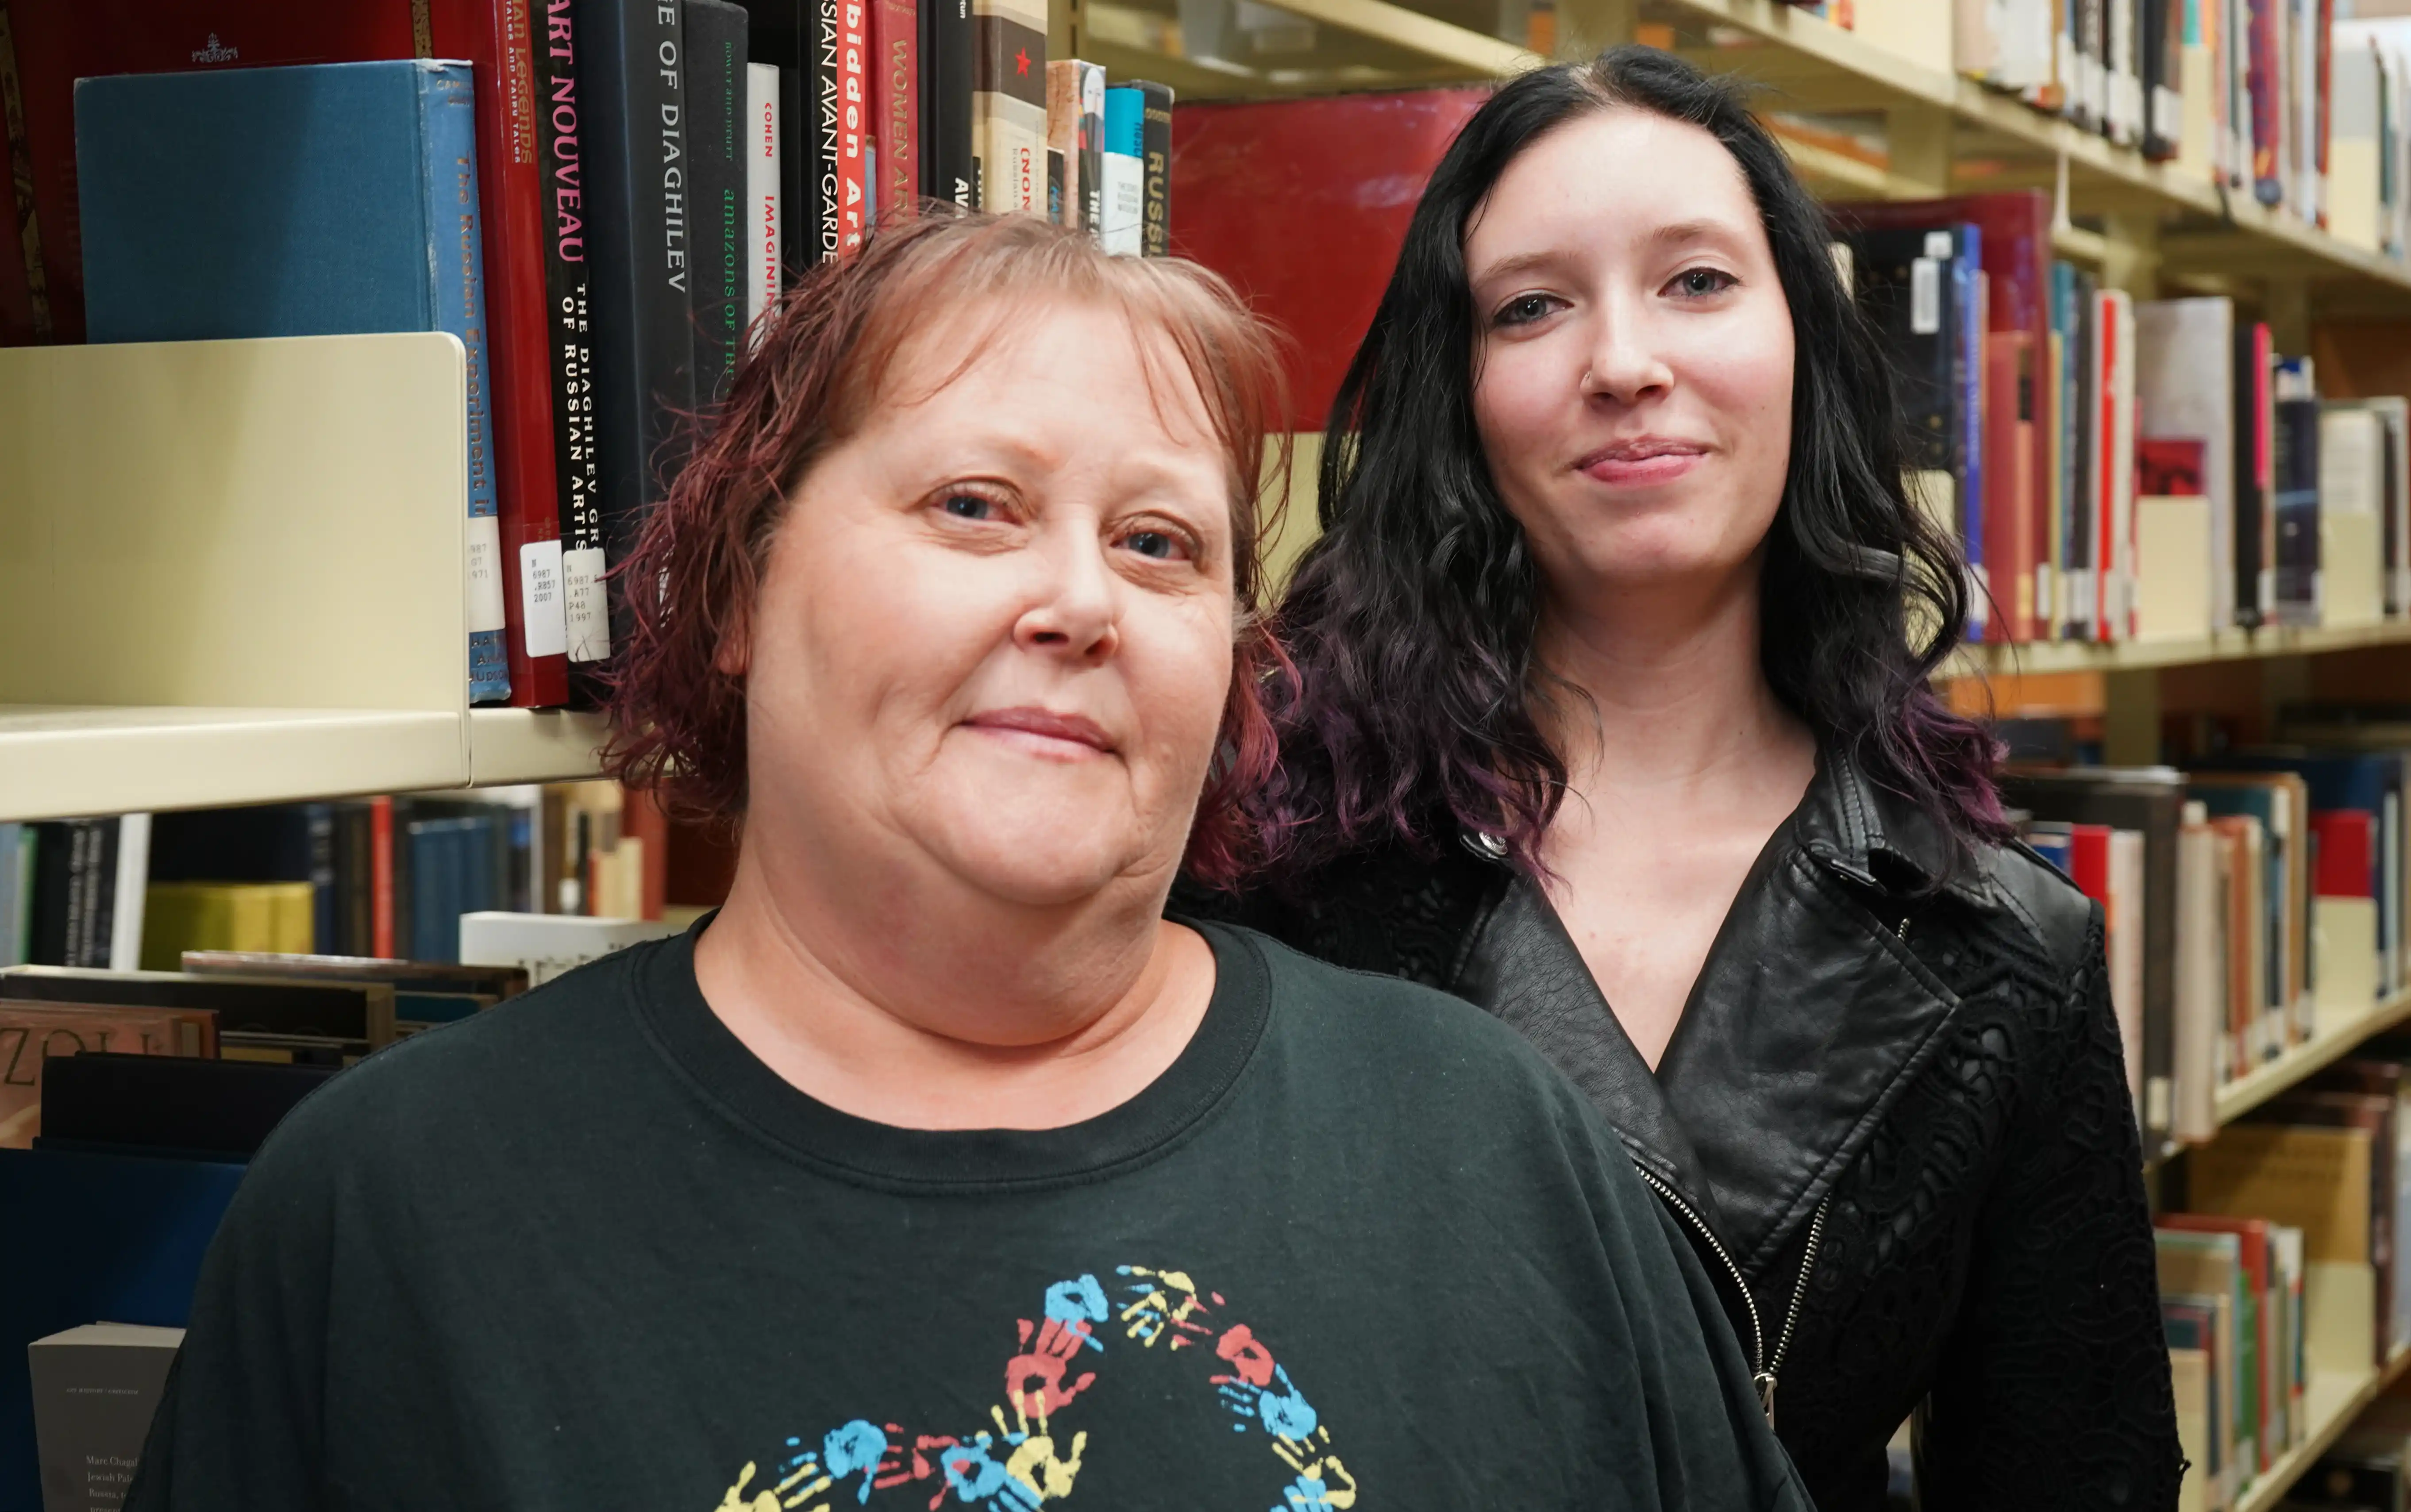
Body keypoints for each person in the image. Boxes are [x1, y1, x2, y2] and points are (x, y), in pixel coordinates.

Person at [126, 213, 1812, 1511]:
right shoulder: (395, 1214)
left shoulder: (1490, 1147)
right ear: (734, 596)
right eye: (976, 507)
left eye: (1158, 545)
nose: (1077, 603)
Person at [1205, 47, 2182, 1512]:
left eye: (1699, 282)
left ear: (1805, 344)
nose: (1622, 362)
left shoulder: (2006, 956)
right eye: (1531, 307)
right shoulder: (1267, 862)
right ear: (1456, 394)